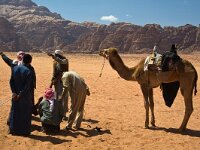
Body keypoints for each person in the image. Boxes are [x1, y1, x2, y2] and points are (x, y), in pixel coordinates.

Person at [9, 54, 34, 136]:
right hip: (24, 97)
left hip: (15, 96)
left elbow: (11, 82)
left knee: (15, 112)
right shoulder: (29, 71)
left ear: (22, 60)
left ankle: (13, 130)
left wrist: (14, 93)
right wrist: (20, 95)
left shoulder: (15, 68)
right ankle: (24, 132)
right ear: (30, 61)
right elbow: (27, 87)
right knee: (25, 113)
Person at [48, 49, 69, 118]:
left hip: (64, 82)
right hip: (57, 82)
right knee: (57, 97)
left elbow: (61, 62)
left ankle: (64, 114)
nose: (55, 57)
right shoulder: (55, 62)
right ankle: (58, 112)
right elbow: (54, 73)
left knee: (64, 97)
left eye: (56, 55)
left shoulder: (65, 60)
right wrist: (51, 83)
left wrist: (54, 57)